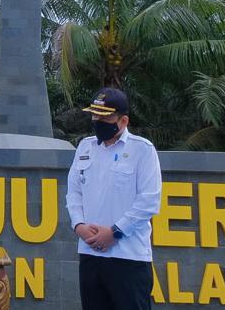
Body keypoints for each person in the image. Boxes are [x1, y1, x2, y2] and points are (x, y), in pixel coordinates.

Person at [65, 87, 162, 310]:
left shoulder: (142, 150)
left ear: (123, 120)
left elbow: (148, 201)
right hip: (90, 254)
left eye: (106, 116)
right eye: (95, 115)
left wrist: (115, 232)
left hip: (129, 257)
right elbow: (74, 192)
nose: (98, 120)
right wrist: (79, 225)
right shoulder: (84, 147)